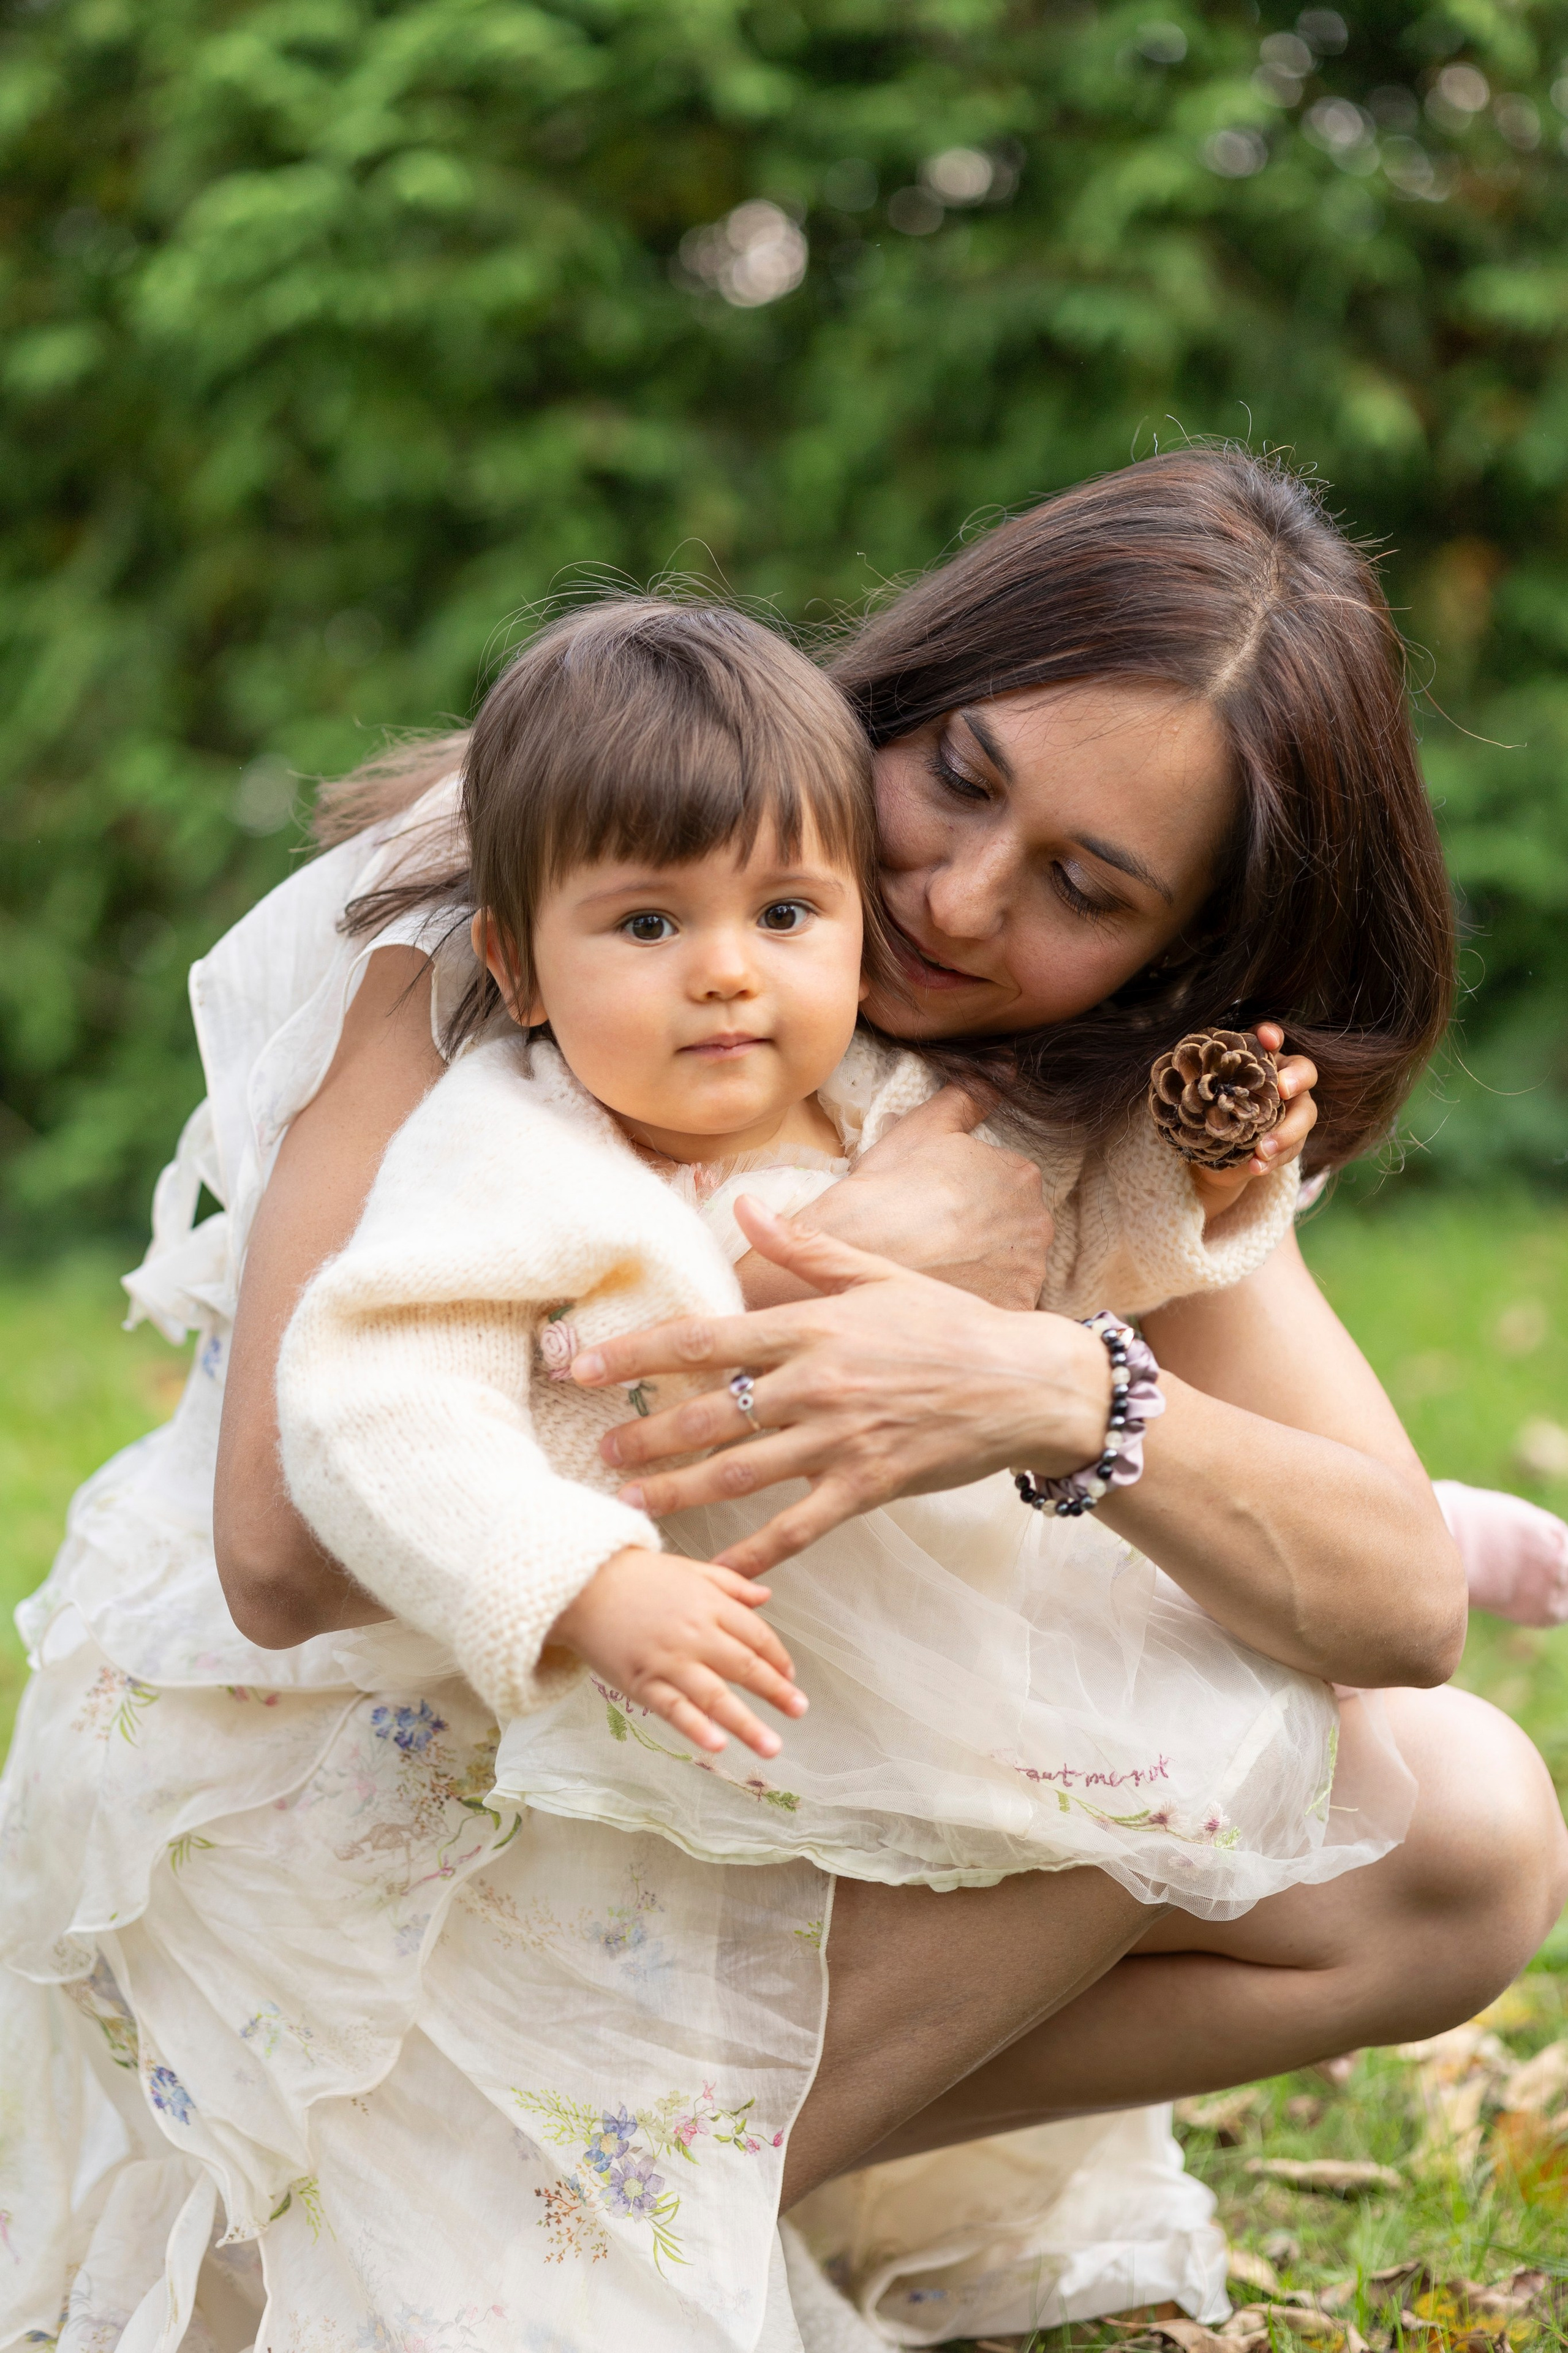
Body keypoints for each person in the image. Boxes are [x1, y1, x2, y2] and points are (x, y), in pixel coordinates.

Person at [2, 450, 1562, 2349]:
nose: (958, 896)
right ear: (911, 687)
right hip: (370, 1771)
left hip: (702, 1764)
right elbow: (277, 1551)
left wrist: (1051, 1377)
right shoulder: (540, 882)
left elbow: (1395, 1601)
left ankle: (620, 2195)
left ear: (1177, 953)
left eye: (1084, 887)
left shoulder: (1071, 1076)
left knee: (1460, 1828)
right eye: (960, 776)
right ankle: (463, 2238)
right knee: (1150, 1711)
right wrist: (814, 1276)